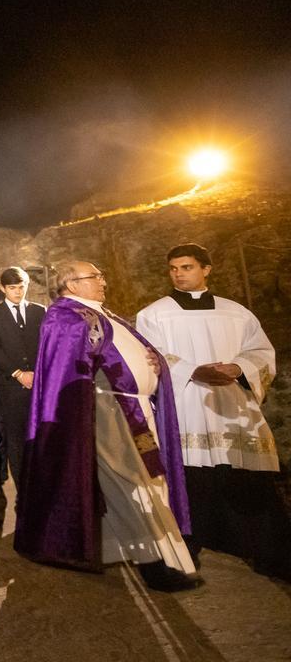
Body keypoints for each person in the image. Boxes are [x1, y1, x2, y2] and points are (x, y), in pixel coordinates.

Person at [15, 261, 200, 592]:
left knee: (144, 482)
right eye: (94, 277)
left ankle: (124, 549)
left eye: (101, 274)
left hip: (135, 408)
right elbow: (69, 368)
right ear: (71, 285)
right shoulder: (65, 316)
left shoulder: (100, 312)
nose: (103, 281)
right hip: (108, 410)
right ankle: (154, 563)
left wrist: (154, 363)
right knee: (133, 484)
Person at [136, 243, 290, 580]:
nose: (179, 273)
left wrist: (238, 367)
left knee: (246, 477)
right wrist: (193, 370)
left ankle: (264, 550)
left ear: (207, 269)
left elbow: (262, 353)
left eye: (187, 267)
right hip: (189, 406)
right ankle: (190, 547)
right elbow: (154, 356)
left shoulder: (237, 313)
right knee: (194, 479)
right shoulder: (154, 314)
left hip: (232, 403)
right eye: (174, 268)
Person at [0, 266, 45, 486]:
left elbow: (46, 345)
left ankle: (44, 479)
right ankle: (23, 485)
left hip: (39, 383)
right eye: (13, 288)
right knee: (16, 437)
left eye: (22, 287)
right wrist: (18, 373)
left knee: (41, 432)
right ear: (3, 288)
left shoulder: (40, 311)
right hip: (10, 386)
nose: (18, 292)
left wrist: (37, 373)